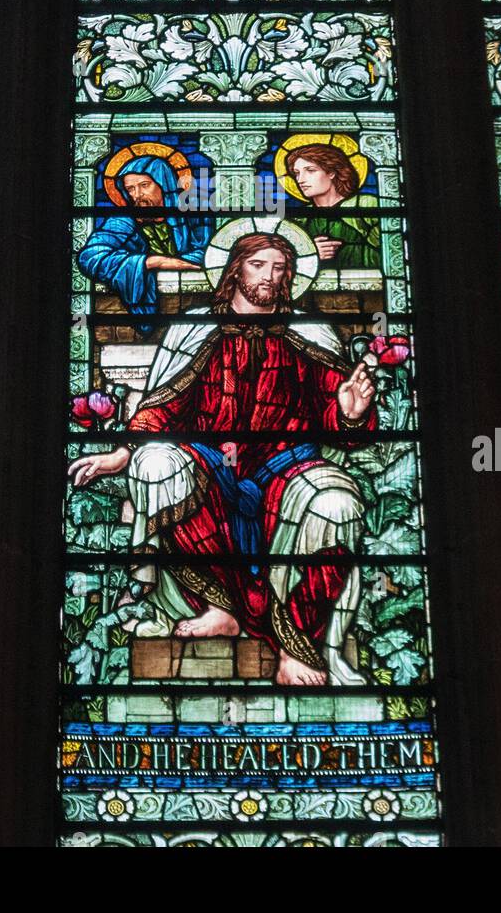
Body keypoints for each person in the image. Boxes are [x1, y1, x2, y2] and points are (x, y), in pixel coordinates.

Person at [68, 229, 374, 686]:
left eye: (279, 268)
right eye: (259, 265)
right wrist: (122, 453)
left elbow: (336, 426)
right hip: (208, 466)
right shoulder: (194, 329)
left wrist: (349, 414)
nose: (270, 276)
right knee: (156, 466)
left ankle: (298, 646)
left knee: (337, 504)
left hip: (286, 469)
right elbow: (161, 407)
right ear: (234, 270)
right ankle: (219, 606)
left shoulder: (310, 333)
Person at [76, 154, 211, 315]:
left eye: (145, 185)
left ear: (164, 183)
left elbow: (212, 254)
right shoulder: (123, 222)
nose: (137, 195)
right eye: (130, 189)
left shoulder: (194, 217)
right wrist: (149, 262)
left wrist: (172, 262)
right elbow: (90, 257)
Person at [284, 141, 381, 269]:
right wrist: (308, 254)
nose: (300, 180)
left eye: (310, 170)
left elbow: (389, 251)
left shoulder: (365, 205)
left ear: (331, 172)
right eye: (296, 173)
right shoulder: (298, 219)